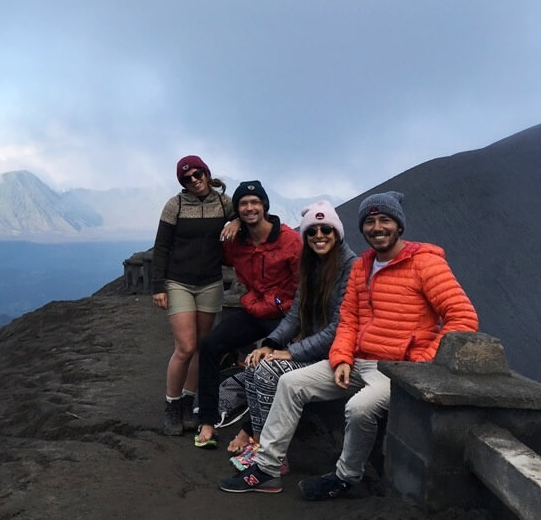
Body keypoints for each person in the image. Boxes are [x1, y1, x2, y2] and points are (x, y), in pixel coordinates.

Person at [219, 190, 479, 496]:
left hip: (398, 368)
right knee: (290, 383)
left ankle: (346, 477)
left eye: (385, 220)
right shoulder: (363, 267)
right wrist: (341, 356)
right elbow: (349, 319)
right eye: (370, 222)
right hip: (355, 360)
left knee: (358, 408)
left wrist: (422, 359)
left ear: (399, 225)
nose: (377, 227)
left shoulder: (425, 264)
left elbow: (463, 318)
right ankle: (267, 468)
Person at [225, 200, 357, 468]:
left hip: (335, 354)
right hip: (312, 346)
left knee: (267, 371)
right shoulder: (311, 264)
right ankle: (260, 443)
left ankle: (276, 455)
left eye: (326, 230)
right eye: (312, 231)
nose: (319, 236)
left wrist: (290, 352)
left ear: (337, 233)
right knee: (255, 362)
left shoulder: (349, 267)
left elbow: (338, 327)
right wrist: (271, 343)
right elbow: (297, 311)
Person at [193, 181, 302, 448]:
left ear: (265, 205)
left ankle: (249, 430)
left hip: (284, 316)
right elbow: (208, 249)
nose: (250, 208)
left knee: (267, 364)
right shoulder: (235, 242)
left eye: (255, 202)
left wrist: (298, 327)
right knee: (209, 346)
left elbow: (304, 288)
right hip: (254, 311)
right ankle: (208, 421)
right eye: (243, 204)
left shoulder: (290, 241)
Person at [151, 156, 233, 435]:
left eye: (198, 174)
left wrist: (235, 223)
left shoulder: (225, 203)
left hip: (210, 282)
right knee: (185, 346)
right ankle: (171, 405)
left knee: (201, 345)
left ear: (207, 173)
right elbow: (161, 246)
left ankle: (188, 403)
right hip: (179, 282)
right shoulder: (175, 205)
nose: (194, 181)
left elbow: (254, 213)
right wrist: (158, 286)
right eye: (187, 178)